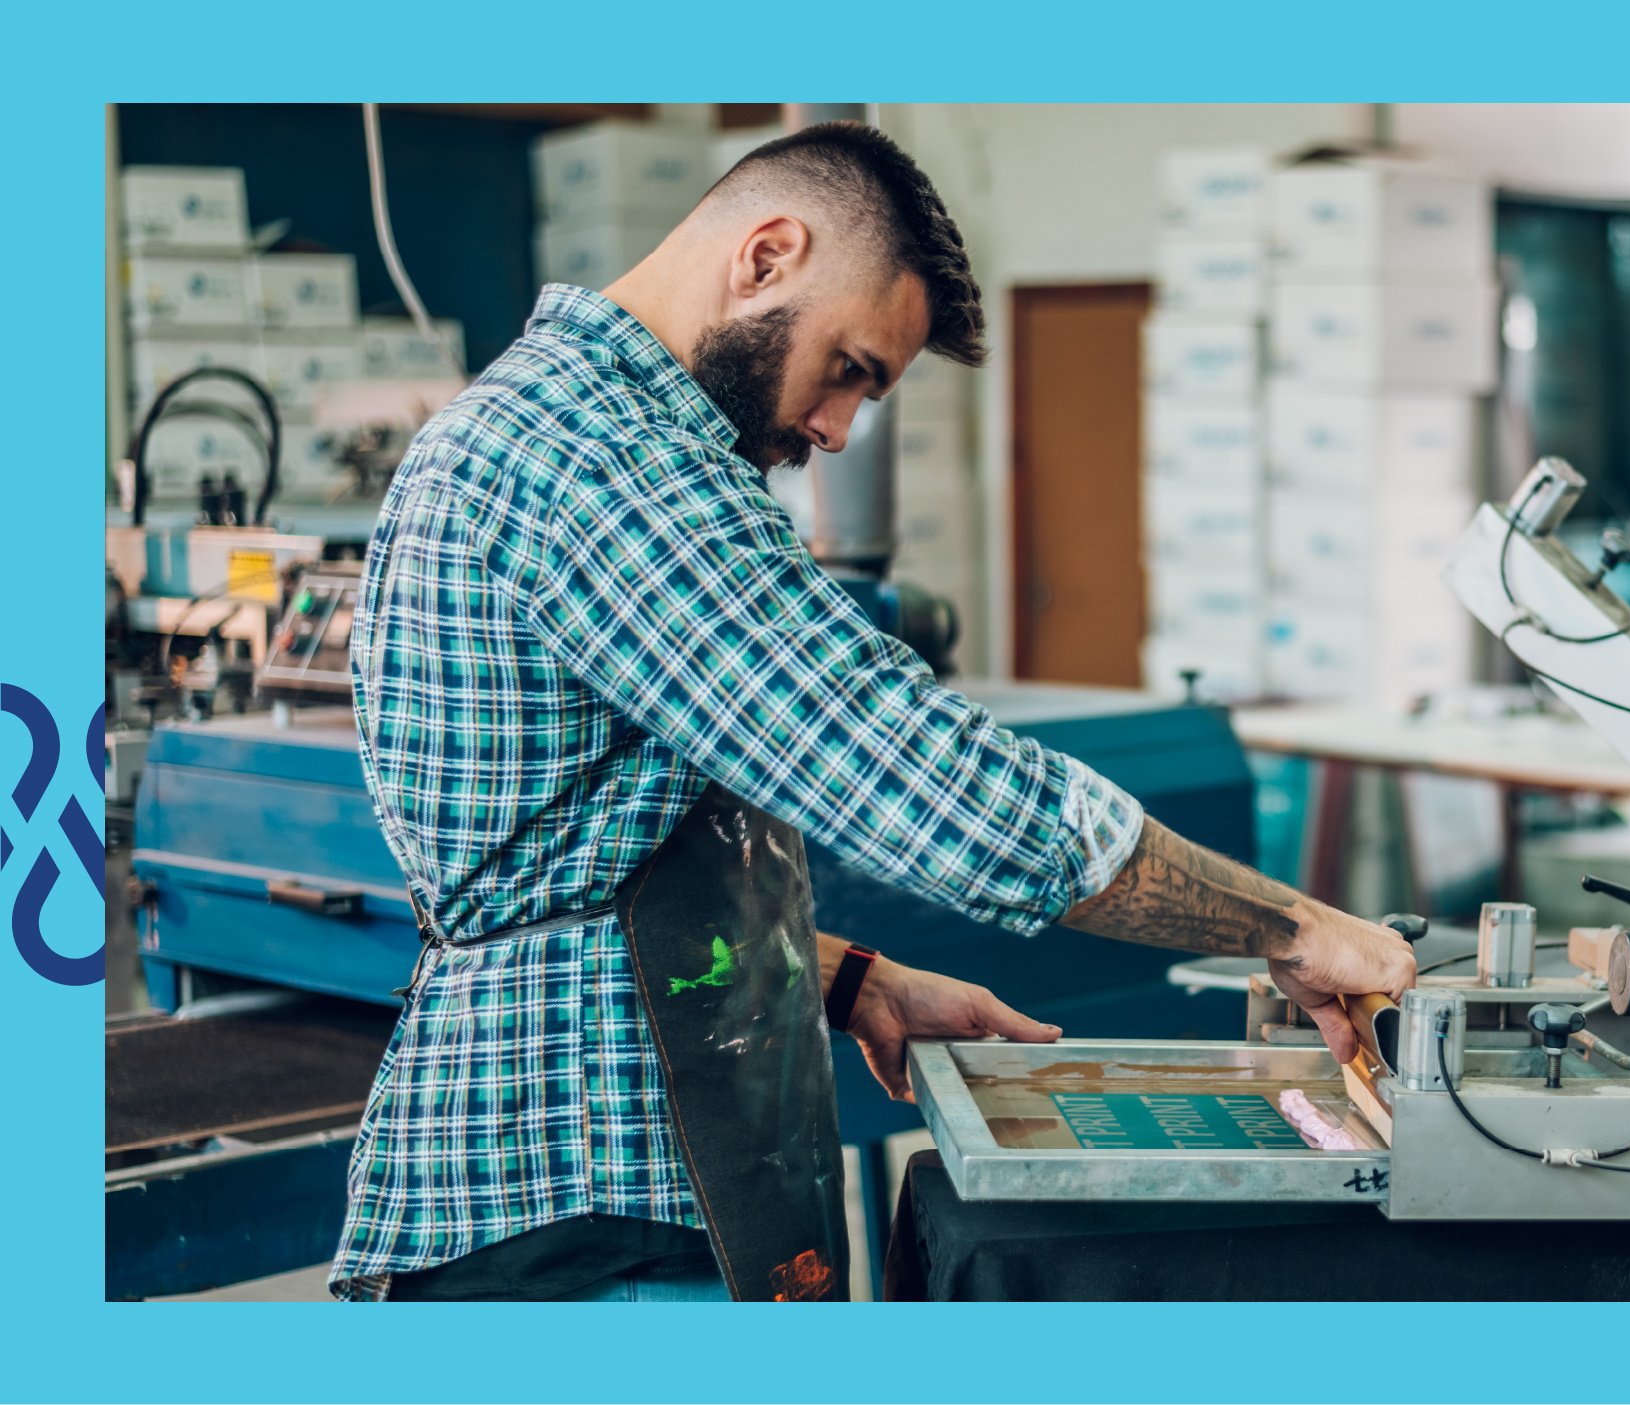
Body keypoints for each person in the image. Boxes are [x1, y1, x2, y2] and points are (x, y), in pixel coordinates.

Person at [331, 121, 1415, 1302]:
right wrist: (1292, 929)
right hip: (581, 1209)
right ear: (767, 255)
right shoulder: (595, 457)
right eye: (848, 367)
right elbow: (911, 773)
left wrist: (835, 976)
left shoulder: (581, 432)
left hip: (611, 1183)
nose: (839, 429)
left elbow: (584, 861)